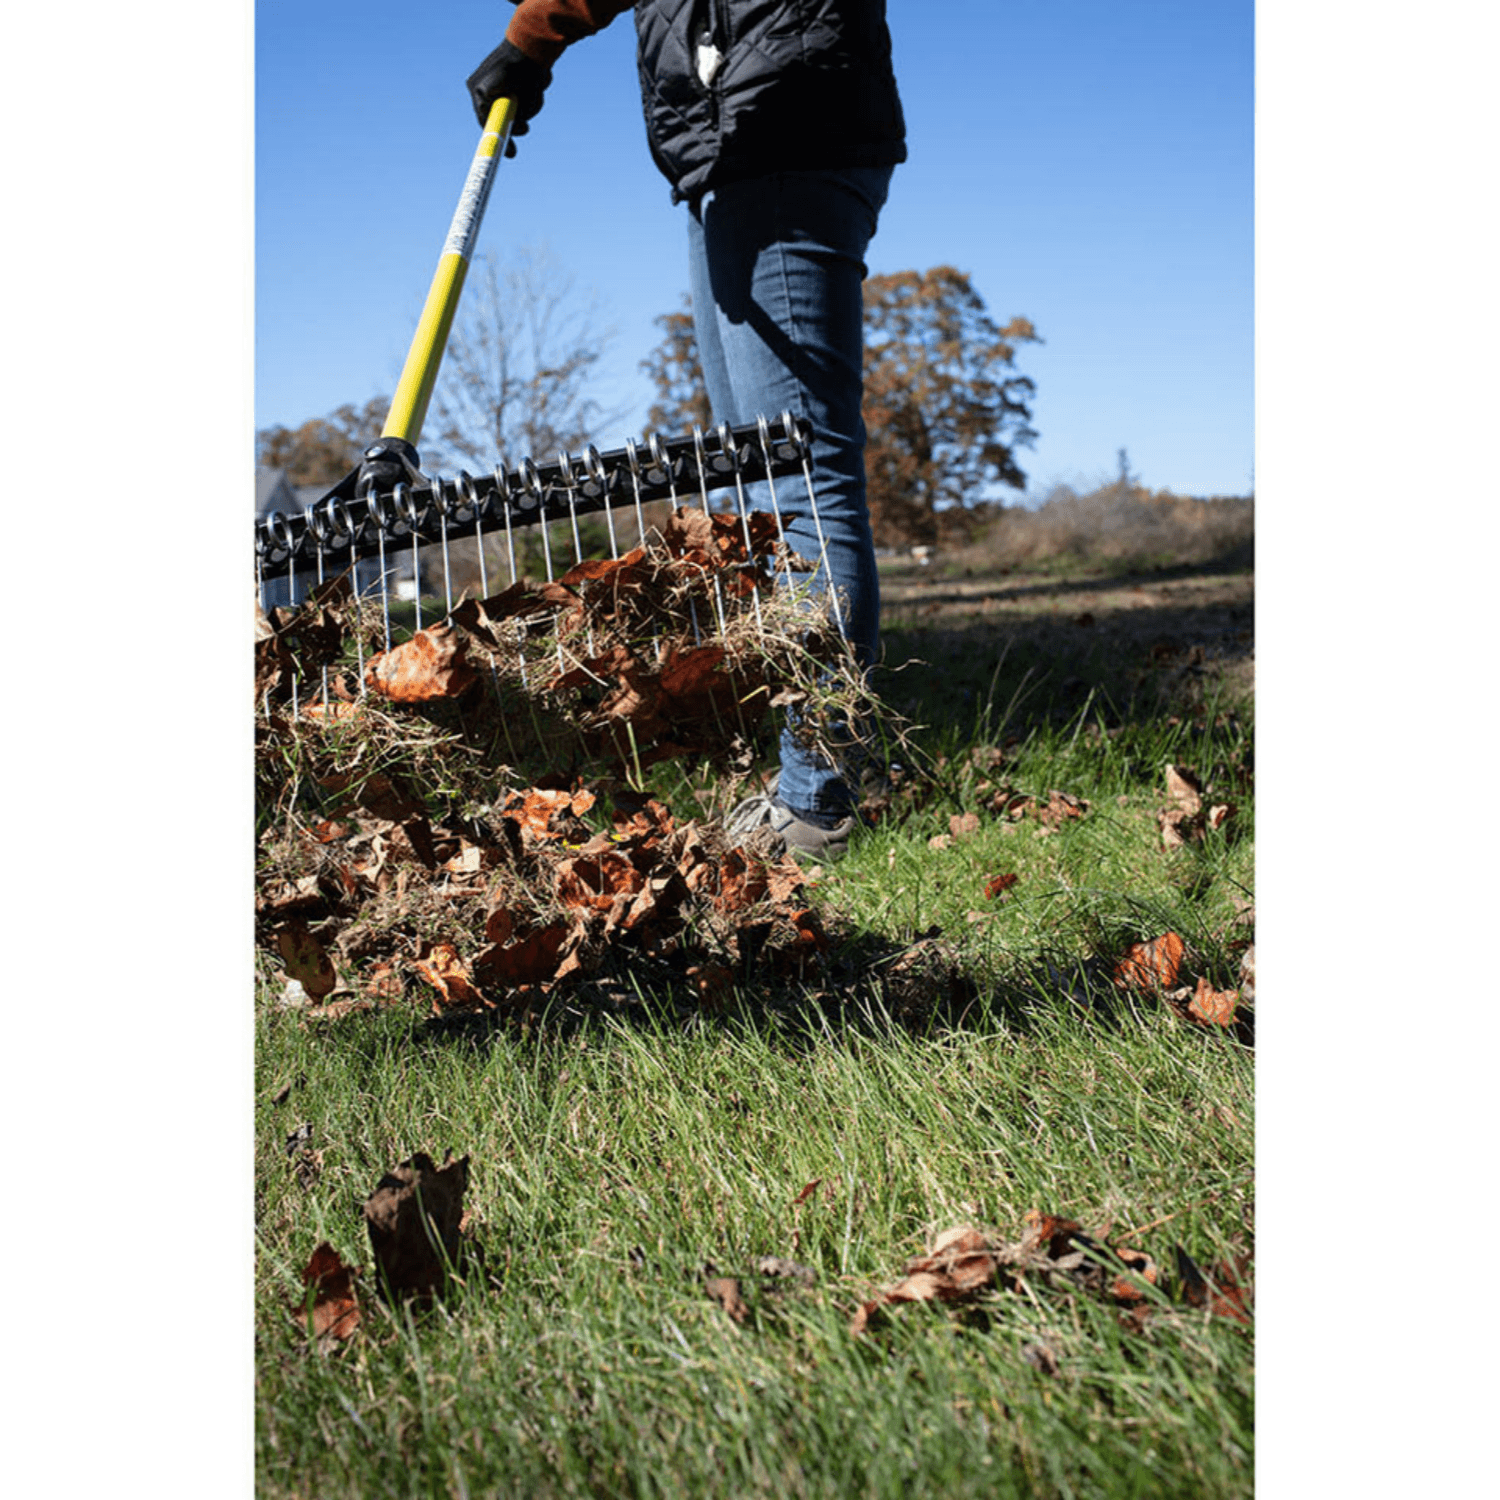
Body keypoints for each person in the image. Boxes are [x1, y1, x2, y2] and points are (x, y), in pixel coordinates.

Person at [466, 0, 906, 860]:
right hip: (738, 138)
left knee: (799, 481)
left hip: (781, 117)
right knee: (760, 485)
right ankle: (810, 786)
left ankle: (819, 803)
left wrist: (534, 35)